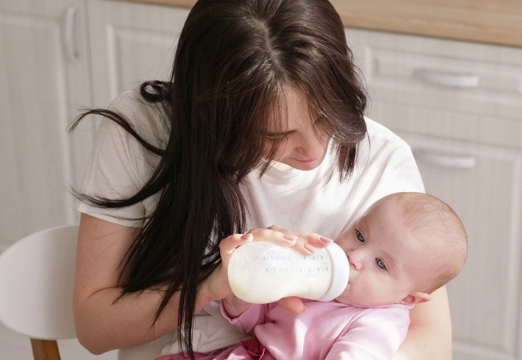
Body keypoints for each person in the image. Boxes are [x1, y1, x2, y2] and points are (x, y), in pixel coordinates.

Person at [70, 0, 454, 359]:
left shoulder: (383, 162)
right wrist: (209, 288)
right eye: (277, 138)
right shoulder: (149, 128)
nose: (315, 152)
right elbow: (95, 328)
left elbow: (431, 340)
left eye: (326, 118)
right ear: (216, 120)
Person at [155, 192, 468, 359]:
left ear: (409, 298)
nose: (355, 257)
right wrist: (241, 299)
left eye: (381, 264)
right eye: (360, 235)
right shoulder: (320, 270)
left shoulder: (379, 323)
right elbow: (263, 317)